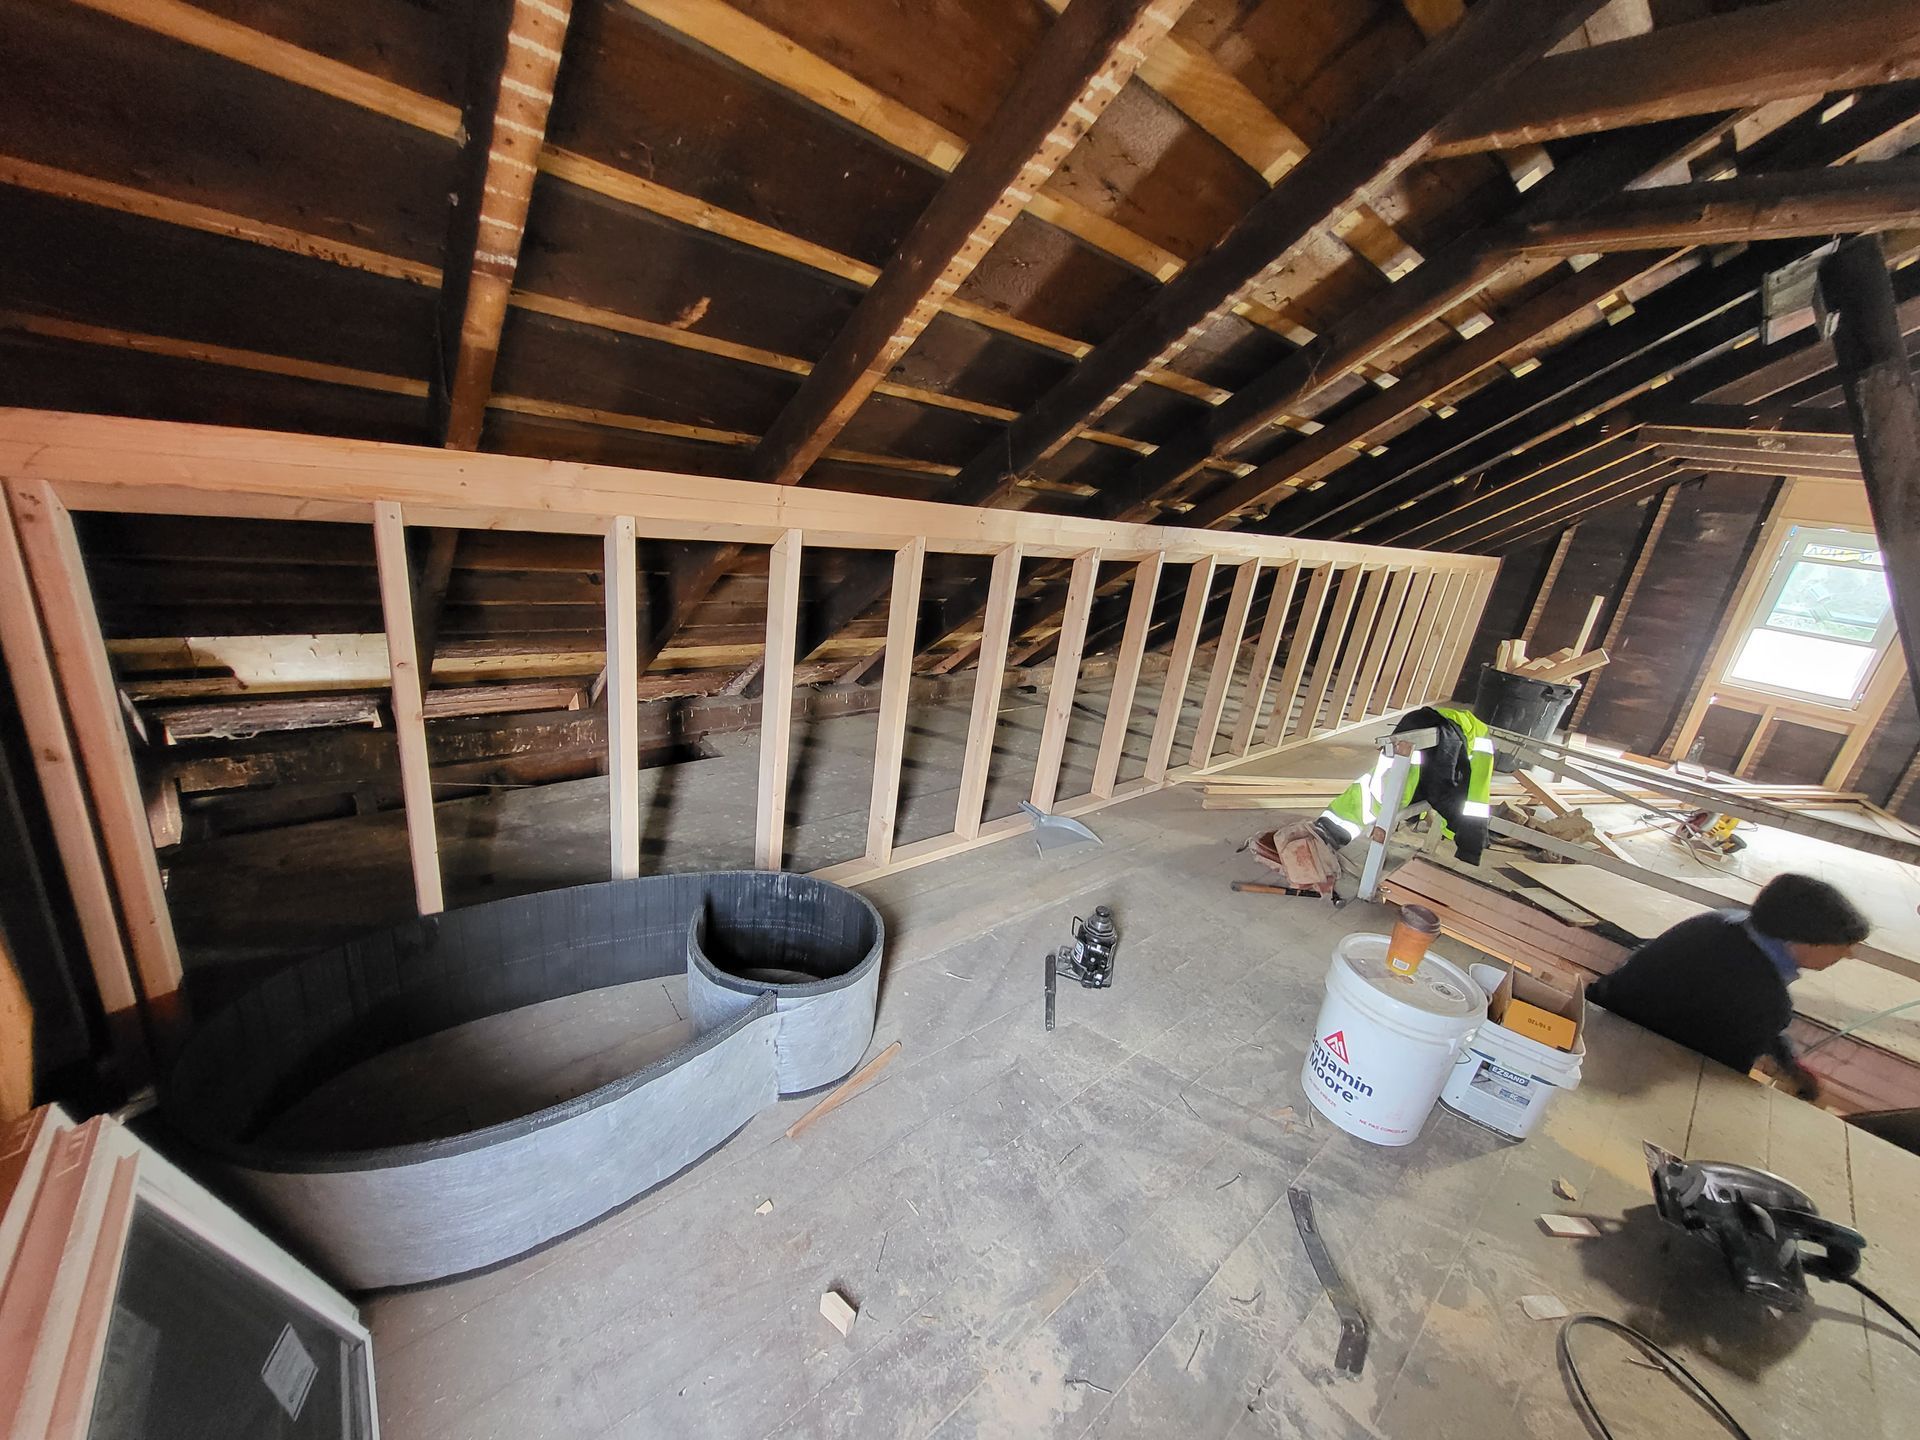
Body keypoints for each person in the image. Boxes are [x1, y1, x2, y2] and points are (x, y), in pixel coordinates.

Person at [1587, 873, 1870, 1099]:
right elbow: (1720, 1078)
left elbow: (1742, 1016)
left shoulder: (1720, 922)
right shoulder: (1764, 997)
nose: (1848, 954)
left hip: (1599, 1014)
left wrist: (1789, 1064)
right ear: (1805, 942)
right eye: (1843, 945)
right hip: (1615, 1061)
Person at [1312, 705, 1496, 864]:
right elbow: (1476, 797)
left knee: (1386, 785)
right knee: (1391, 793)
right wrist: (1468, 840)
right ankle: (1329, 833)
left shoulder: (1475, 734)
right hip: (1438, 733)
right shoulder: (1483, 743)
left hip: (1419, 722)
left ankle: (1328, 830)